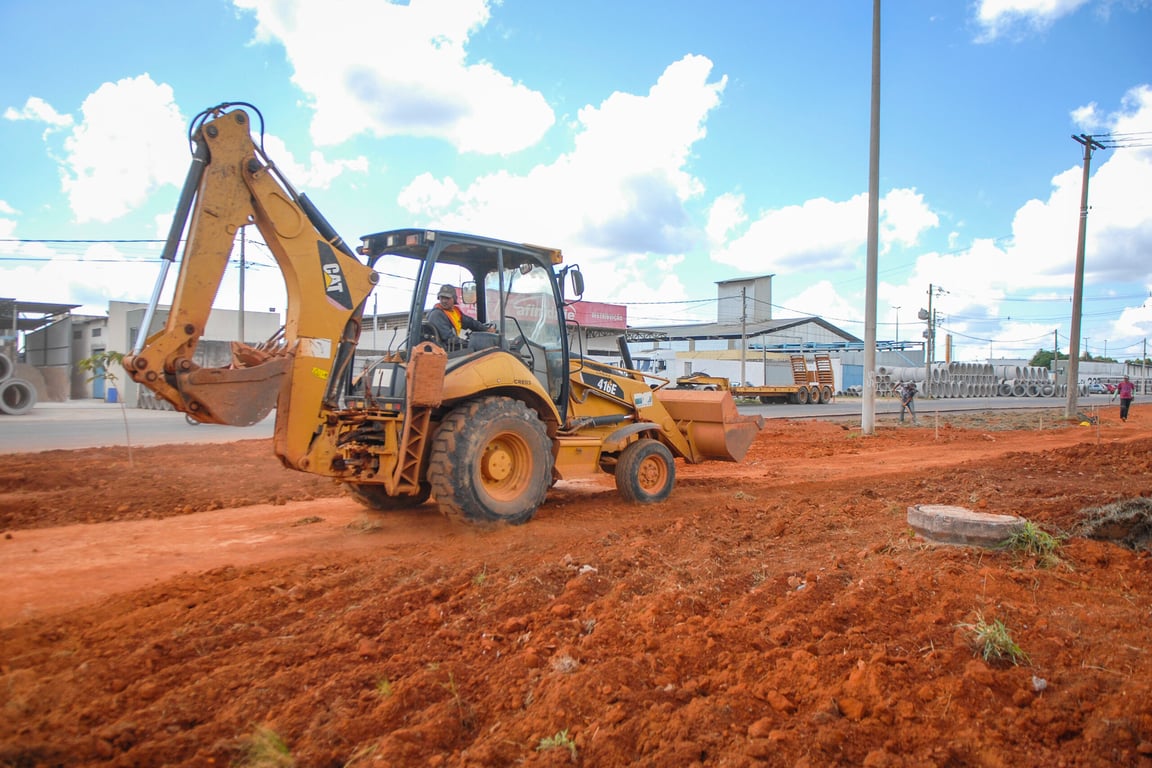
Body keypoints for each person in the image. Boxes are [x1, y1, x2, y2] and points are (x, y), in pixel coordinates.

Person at [426, 284, 493, 348]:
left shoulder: (454, 311)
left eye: (447, 298)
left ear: (454, 299)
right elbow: (449, 339)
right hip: (445, 351)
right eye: (442, 297)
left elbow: (470, 322)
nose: (444, 301)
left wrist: (486, 329)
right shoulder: (437, 315)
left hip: (452, 347)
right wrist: (469, 344)